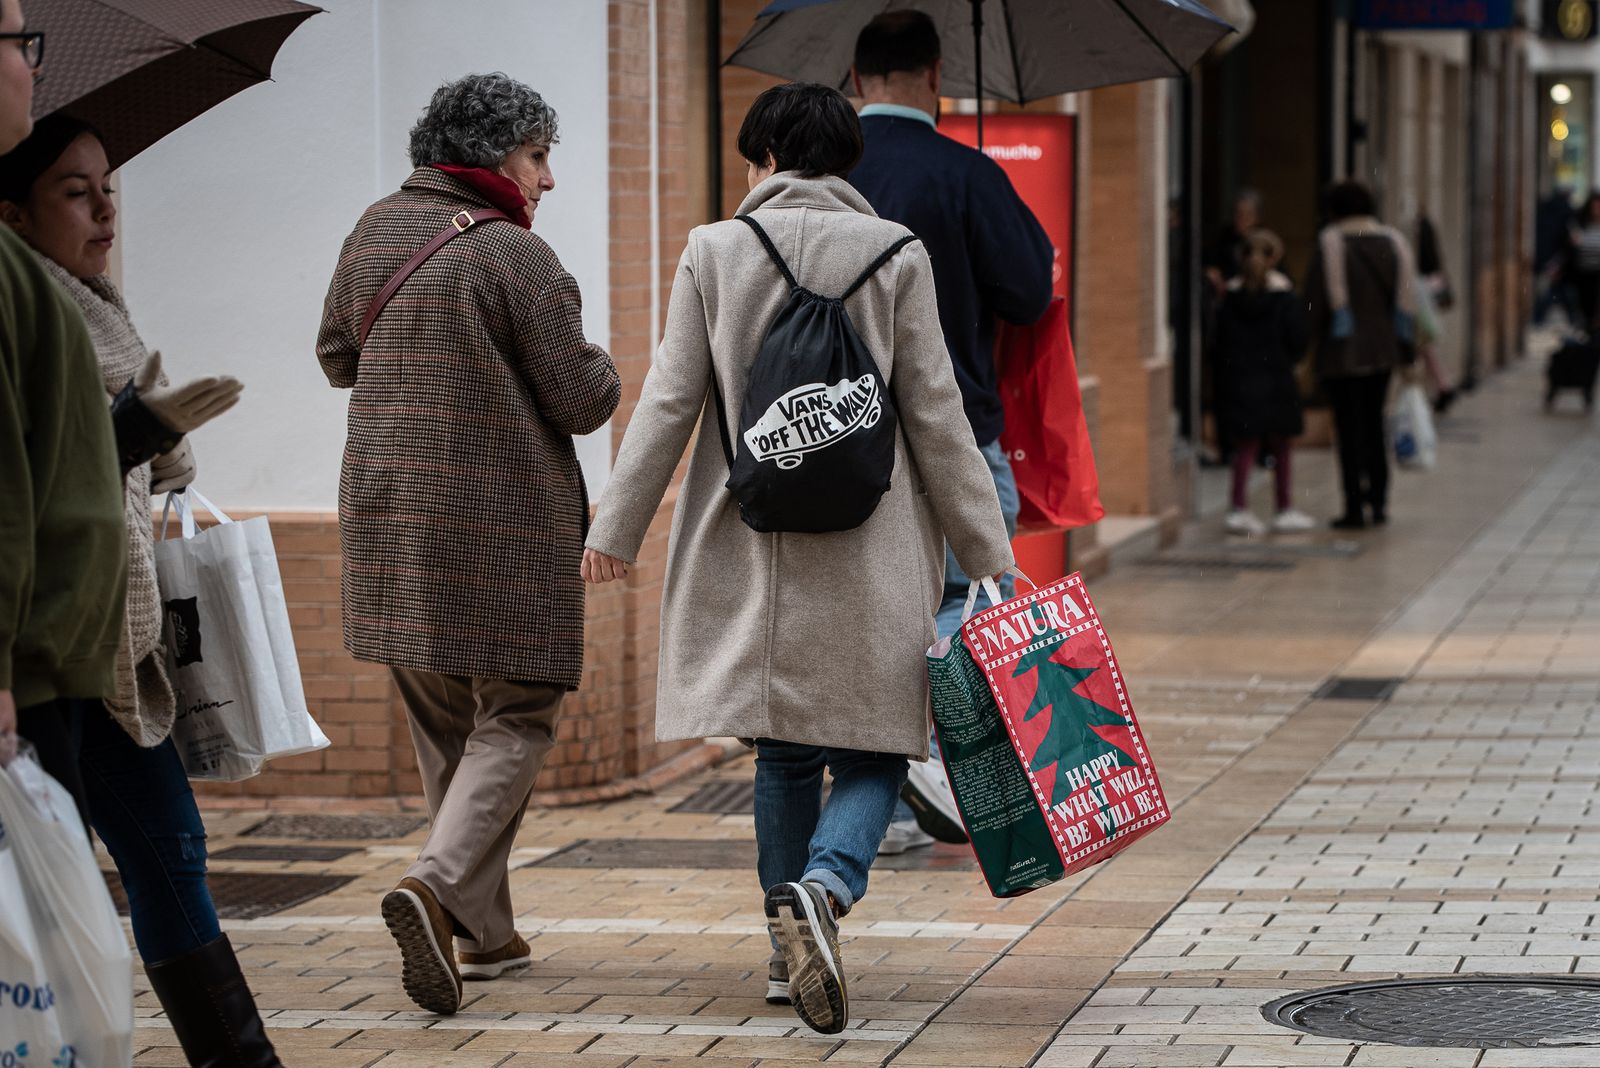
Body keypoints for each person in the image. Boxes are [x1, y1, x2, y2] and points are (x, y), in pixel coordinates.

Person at [582, 83, 1013, 1036]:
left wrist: (615, 529)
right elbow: (937, 413)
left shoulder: (714, 250)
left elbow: (669, 398)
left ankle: (787, 954)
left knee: (782, 752)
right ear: (845, 159)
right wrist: (988, 550)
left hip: (756, 539)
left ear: (766, 158)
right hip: (873, 545)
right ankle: (825, 886)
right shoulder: (897, 253)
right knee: (881, 742)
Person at [317, 72, 620, 1017]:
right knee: (519, 712)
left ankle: (483, 934)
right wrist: (605, 361)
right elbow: (584, 399)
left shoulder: (373, 230)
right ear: (492, 157)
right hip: (501, 522)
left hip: (387, 513)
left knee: (446, 721)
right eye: (538, 156)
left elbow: (335, 356)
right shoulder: (515, 257)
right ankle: (435, 883)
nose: (548, 179)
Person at [0, 114, 276, 1064]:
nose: (105, 210)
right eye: (76, 193)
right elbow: (32, 487)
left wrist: (149, 429)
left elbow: (146, 474)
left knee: (169, 854)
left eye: (109, 188)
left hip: (118, 642)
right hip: (46, 651)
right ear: (14, 213)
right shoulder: (25, 313)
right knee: (56, 880)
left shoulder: (97, 309)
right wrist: (128, 432)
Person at [845, 9, 1052, 854]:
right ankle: (933, 763)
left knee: (864, 613)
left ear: (854, 80)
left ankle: (885, 801)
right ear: (936, 75)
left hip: (838, 440)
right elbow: (1029, 292)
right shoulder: (968, 172)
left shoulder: (824, 176)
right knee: (968, 595)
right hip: (957, 430)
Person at [1306, 180, 1418, 530]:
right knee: (1373, 424)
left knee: (1349, 430)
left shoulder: (1330, 244)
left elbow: (1314, 303)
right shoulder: (1394, 243)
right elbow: (1407, 299)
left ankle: (1354, 506)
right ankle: (1379, 502)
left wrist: (1305, 345)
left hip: (1342, 352)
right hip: (1384, 350)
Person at [1213, 229, 1312, 537]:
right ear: (1276, 258)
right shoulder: (1285, 297)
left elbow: (1218, 344)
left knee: (1245, 447)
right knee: (1281, 446)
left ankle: (1238, 508)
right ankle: (1283, 508)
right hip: (1277, 378)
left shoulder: (1229, 299)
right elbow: (1298, 339)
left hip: (1240, 380)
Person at [1570, 191, 1600, 333]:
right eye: (1594, 207)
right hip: (1584, 273)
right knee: (1587, 308)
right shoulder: (1581, 224)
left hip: (1598, 273)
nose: (1596, 210)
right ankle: (1590, 335)